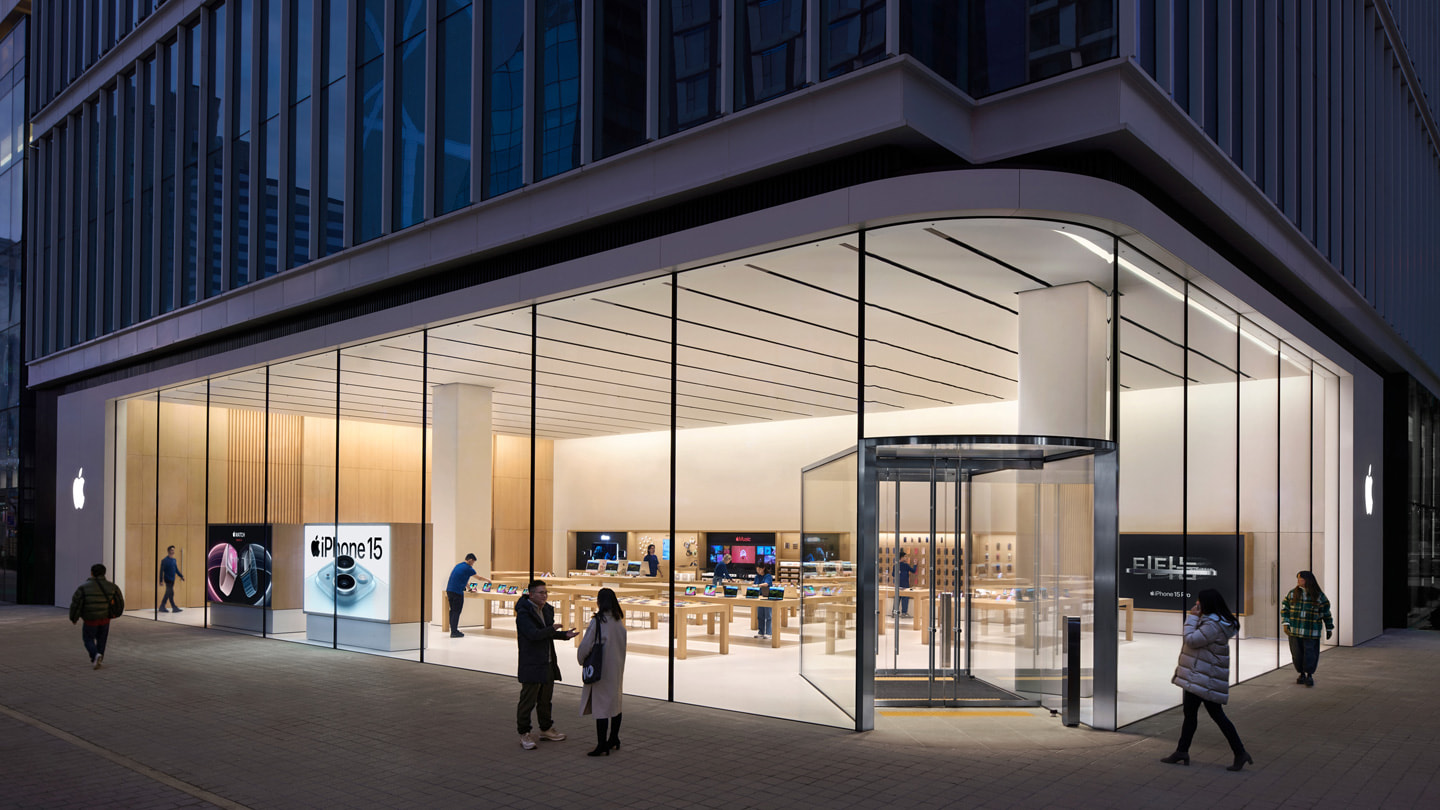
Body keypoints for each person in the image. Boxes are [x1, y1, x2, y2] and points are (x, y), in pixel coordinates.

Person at [1162, 588, 1252, 771]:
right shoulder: (1218, 621)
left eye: (1199, 601)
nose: (1196, 604)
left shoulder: (1212, 624)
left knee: (1212, 716)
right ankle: (1182, 751)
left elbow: (1191, 640)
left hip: (1202, 677)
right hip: (1200, 675)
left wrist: (1192, 618)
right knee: (1193, 715)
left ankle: (1240, 752)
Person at [516, 579, 578, 750]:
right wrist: (552, 630)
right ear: (531, 594)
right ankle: (524, 733)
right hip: (532, 662)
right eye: (541, 592)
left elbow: (547, 635)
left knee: (545, 699)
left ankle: (546, 728)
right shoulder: (524, 612)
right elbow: (534, 634)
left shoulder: (546, 610)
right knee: (527, 700)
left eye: (546, 592)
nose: (544, 595)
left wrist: (564, 635)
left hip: (548, 661)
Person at [577, 587, 628, 756]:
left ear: (599, 602)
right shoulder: (618, 620)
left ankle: (602, 745)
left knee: (601, 707)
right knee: (615, 703)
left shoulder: (598, 621)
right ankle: (614, 738)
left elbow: (585, 646)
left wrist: (581, 660)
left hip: (601, 669)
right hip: (617, 668)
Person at [1281, 570, 1334, 687]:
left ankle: (1309, 675)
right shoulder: (1292, 594)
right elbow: (1285, 609)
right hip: (1295, 631)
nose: (1299, 581)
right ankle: (1301, 674)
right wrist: (1286, 623)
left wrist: (1329, 628)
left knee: (1310, 654)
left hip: (1311, 631)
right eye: (1298, 579)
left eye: (1301, 579)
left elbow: (1326, 612)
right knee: (1297, 654)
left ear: (1308, 580)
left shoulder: (1319, 595)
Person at [69, 563, 124, 670]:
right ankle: (99, 657)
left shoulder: (83, 587)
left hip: (90, 619)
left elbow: (76, 604)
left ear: (92, 573)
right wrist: (116, 613)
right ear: (104, 573)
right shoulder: (112, 587)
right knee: (102, 639)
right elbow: (120, 602)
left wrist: (74, 618)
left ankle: (95, 655)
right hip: (105, 619)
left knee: (88, 638)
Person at [445, 553, 480, 638]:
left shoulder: (458, 566)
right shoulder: (468, 568)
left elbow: (463, 580)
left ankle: (453, 629)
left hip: (449, 590)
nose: (472, 564)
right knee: (457, 611)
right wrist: (488, 580)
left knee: (452, 610)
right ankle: (454, 632)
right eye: (473, 562)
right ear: (470, 560)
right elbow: (479, 578)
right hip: (457, 592)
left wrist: (469, 588)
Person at [158, 545, 185, 613]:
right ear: (168, 551)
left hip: (173, 579)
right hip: (167, 579)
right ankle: (174, 607)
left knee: (168, 593)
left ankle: (162, 606)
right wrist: (161, 580)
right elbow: (161, 571)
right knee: (171, 593)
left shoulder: (174, 560)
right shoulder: (164, 560)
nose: (173, 551)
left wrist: (181, 576)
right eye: (172, 550)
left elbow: (176, 570)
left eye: (173, 550)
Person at [893, 551, 917, 618]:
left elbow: (893, 574)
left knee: (897, 598)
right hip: (905, 585)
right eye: (905, 557)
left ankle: (894, 612)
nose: (906, 558)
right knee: (905, 598)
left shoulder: (895, 565)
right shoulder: (905, 565)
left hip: (898, 584)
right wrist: (915, 564)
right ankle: (904, 613)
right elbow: (913, 571)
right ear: (902, 557)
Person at [753, 563, 774, 640]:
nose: (758, 571)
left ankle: (768, 633)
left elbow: (766, 584)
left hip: (768, 598)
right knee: (760, 616)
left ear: (763, 568)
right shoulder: (756, 577)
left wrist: (758, 585)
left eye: (759, 569)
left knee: (768, 616)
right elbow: (754, 584)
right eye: (757, 569)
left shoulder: (768, 576)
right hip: (759, 597)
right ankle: (761, 632)